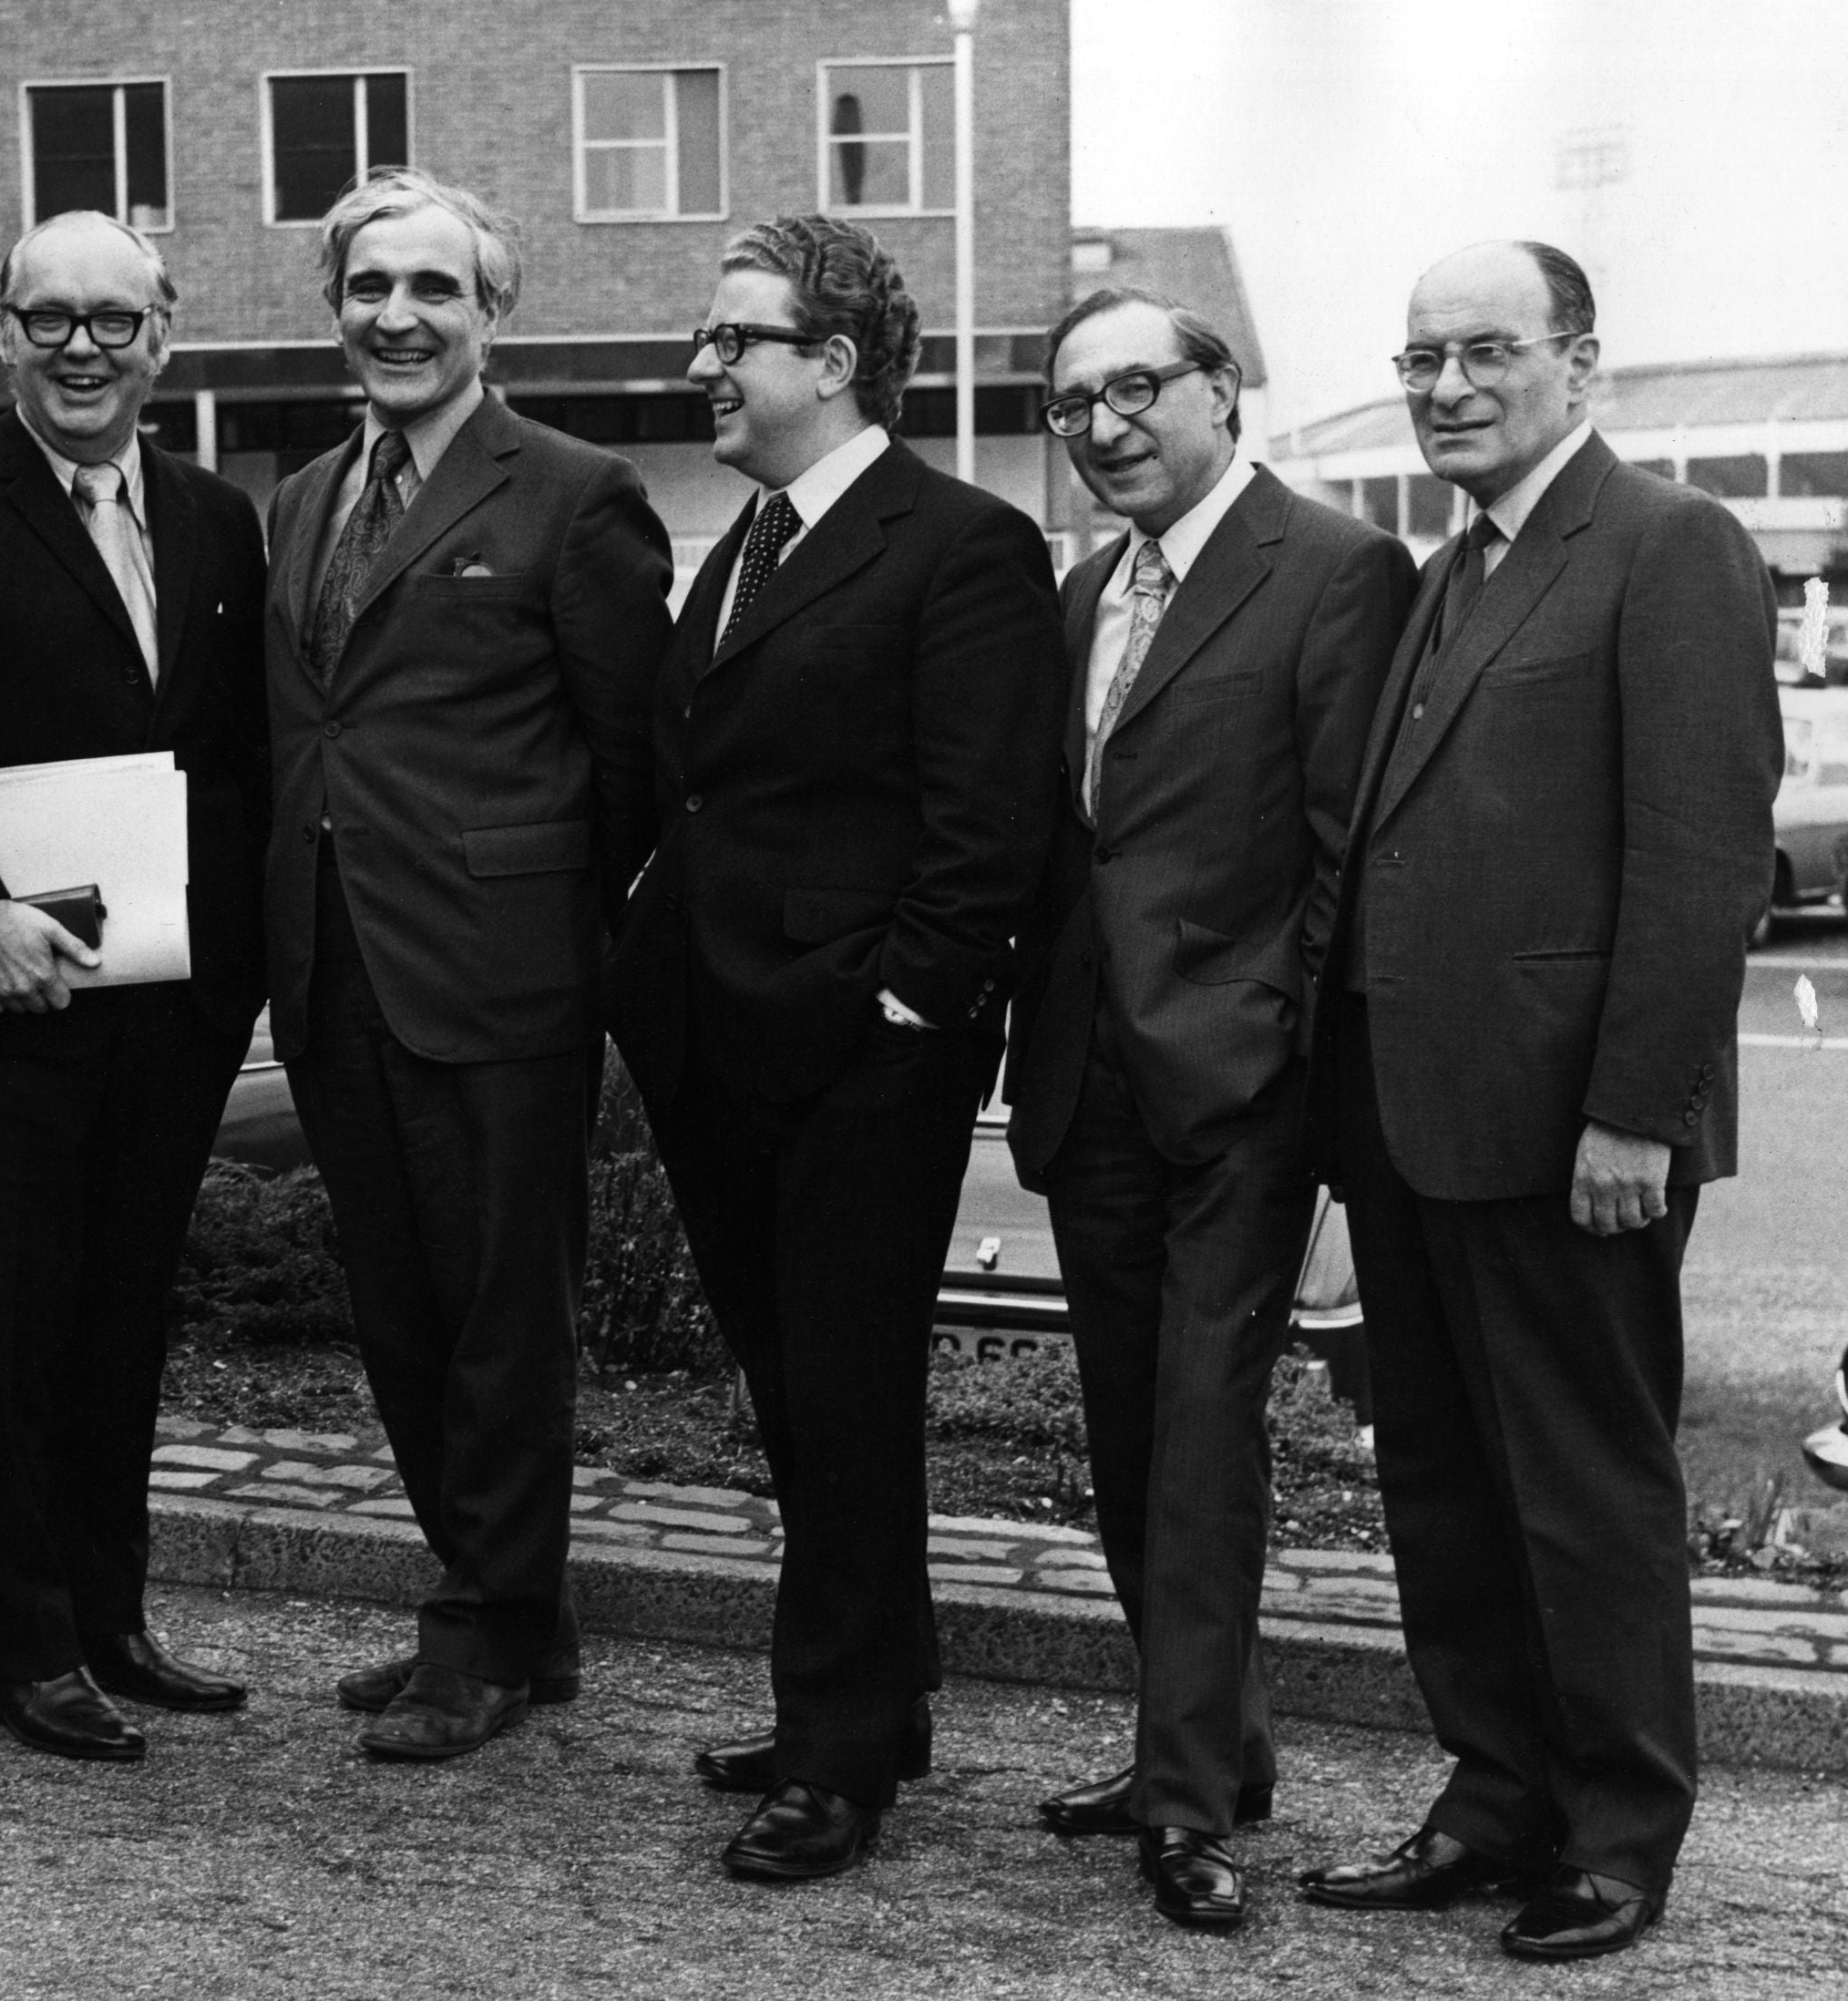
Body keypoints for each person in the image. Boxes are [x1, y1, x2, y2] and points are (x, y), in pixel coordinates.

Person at [1300, 241, 1781, 1962]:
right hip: (1413, 1125)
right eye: (1418, 357)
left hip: (1570, 1132)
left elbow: (1703, 856)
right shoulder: (1450, 570)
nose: (1442, 387)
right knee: (1441, 1481)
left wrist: (1635, 1116)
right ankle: (1492, 1800)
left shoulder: (1667, 546)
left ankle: (1616, 1835)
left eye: (1485, 351)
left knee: (1582, 1487)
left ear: (1581, 362)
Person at [607, 214, 1067, 1880]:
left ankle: (841, 1751)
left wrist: (904, 1008)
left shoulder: (957, 547)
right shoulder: (739, 544)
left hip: (862, 1059)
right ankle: (876, 1697)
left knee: (848, 1396)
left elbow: (987, 820)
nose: (704, 364)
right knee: (794, 1397)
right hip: (712, 1037)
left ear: (835, 362)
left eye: (736, 338)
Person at [0, 211, 269, 1761]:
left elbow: (234, 760)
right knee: (9, 1322)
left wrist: (246, 963)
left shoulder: (223, 518)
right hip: (2, 1002)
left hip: (171, 1000)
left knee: (125, 1315)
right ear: (0, 328)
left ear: (166, 332)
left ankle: (110, 1619)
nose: (80, 348)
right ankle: (22, 1652)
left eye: (112, 320)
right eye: (48, 319)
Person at [1002, 289, 1413, 1927]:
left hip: (1235, 1090)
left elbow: (1344, 852)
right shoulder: (1085, 586)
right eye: (1070, 405)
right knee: (1123, 1429)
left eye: (1134, 390)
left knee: (1197, 1432)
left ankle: (1183, 1807)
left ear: (1220, 391)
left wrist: (1278, 1059)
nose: (1103, 427)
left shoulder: (1333, 570)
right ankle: (1211, 1742)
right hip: (1086, 1074)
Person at [262, 168, 672, 1761]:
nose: (398, 318)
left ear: (491, 312)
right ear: (336, 310)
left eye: (433, 289)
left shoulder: (576, 494)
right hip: (332, 965)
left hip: (496, 977)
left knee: (503, 1318)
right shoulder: (302, 499)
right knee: (405, 1318)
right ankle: (518, 1607)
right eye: (370, 289)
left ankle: (479, 1640)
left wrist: (549, 926)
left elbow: (629, 759)